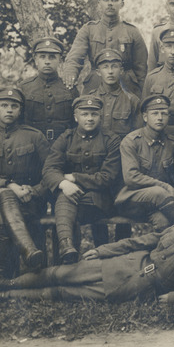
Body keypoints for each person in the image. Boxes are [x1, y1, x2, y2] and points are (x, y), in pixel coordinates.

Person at [0, 196, 174, 306]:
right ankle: (4, 283)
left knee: (61, 292)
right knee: (58, 273)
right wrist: (103, 251)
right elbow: (138, 242)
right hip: (123, 263)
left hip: (133, 287)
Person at [0, 88, 51, 274]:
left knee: (2, 217)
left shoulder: (34, 136)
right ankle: (30, 252)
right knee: (6, 194)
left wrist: (35, 191)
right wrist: (9, 185)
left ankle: (5, 274)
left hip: (29, 199)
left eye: (14, 106)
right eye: (4, 105)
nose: (9, 110)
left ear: (20, 110)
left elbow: (51, 173)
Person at [42, 95, 122, 263]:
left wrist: (74, 178)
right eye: (85, 114)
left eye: (94, 114)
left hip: (101, 200)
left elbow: (108, 177)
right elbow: (50, 168)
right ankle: (68, 249)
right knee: (66, 196)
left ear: (100, 116)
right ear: (76, 116)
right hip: (73, 199)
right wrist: (63, 183)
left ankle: (67, 259)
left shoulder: (111, 140)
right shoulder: (66, 138)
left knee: (65, 205)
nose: (90, 118)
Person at [114, 94, 174, 231]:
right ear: (145, 117)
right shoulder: (131, 141)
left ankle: (162, 251)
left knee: (164, 223)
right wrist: (165, 187)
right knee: (159, 193)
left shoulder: (172, 142)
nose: (160, 118)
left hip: (161, 203)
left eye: (164, 114)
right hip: (131, 201)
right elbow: (131, 178)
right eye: (155, 113)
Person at [61, 0, 148, 97]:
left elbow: (141, 68)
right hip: (95, 85)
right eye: (105, 0)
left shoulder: (132, 31)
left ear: (122, 4)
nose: (110, 3)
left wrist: (143, 96)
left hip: (126, 87)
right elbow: (75, 57)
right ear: (99, 3)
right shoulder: (89, 29)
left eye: (114, 0)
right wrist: (70, 74)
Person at [19, 36, 78, 143]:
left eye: (52, 57)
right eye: (42, 57)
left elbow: (76, 123)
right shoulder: (25, 87)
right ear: (36, 59)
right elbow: (18, 122)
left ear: (60, 60)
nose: (47, 61)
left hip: (63, 146)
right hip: (32, 145)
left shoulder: (69, 87)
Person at [92, 49, 142, 139]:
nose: (110, 71)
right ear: (98, 72)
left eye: (114, 66)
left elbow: (137, 135)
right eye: (105, 67)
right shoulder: (91, 99)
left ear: (121, 70)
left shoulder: (132, 100)